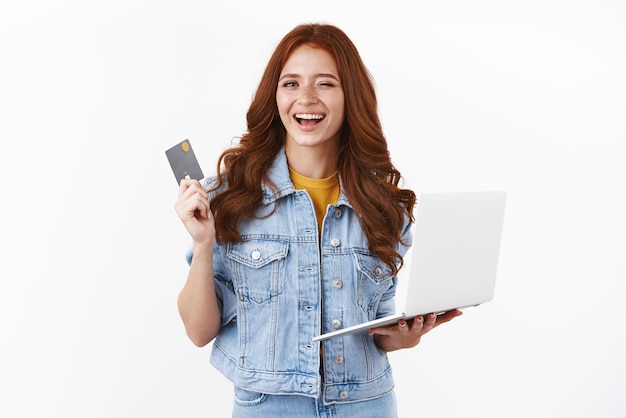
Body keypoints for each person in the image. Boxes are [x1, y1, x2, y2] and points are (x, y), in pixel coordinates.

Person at [174, 23, 462, 418]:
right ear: (274, 97)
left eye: (325, 83)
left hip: (366, 405)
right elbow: (198, 332)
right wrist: (204, 244)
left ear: (350, 97)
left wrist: (406, 337)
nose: (305, 98)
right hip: (270, 407)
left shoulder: (383, 204)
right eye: (291, 84)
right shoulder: (230, 197)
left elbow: (379, 329)